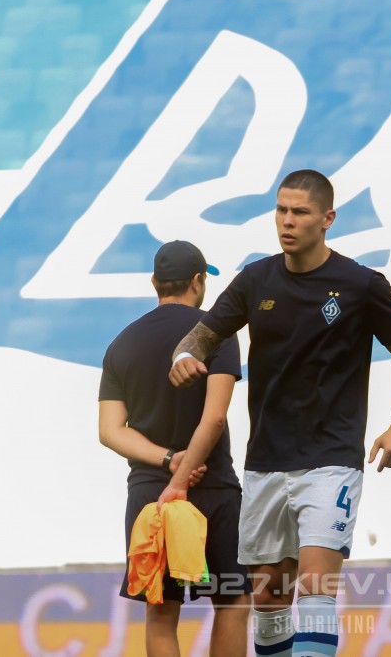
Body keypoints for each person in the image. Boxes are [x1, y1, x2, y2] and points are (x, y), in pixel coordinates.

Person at [170, 169, 391, 657]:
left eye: (300, 212)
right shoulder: (255, 280)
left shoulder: (361, 284)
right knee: (269, 598)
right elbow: (203, 334)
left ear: (327, 219)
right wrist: (184, 354)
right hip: (266, 461)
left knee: (315, 587)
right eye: (281, 210)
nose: (287, 221)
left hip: (331, 460)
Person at [98, 240, 251, 657]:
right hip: (213, 488)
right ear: (198, 281)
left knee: (162, 612)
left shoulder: (122, 343)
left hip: (150, 493)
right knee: (232, 601)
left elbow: (110, 431)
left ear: (155, 282)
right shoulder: (215, 332)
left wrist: (169, 461)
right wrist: (188, 467)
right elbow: (214, 419)